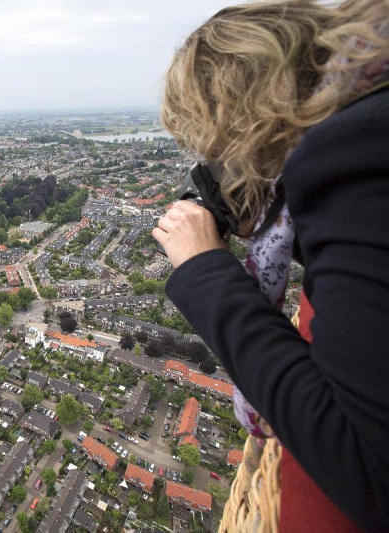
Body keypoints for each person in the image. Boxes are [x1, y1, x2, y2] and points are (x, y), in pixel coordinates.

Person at [153, 0, 389, 531]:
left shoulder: (360, 156)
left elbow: (368, 468)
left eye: (219, 144)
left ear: (246, 122)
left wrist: (205, 268)